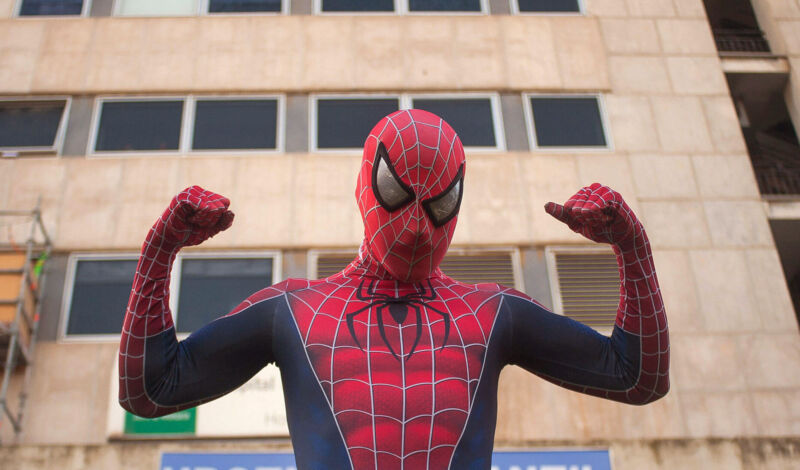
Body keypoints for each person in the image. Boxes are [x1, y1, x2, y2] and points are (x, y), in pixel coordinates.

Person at [119, 109, 669, 470]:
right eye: (394, 192)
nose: (415, 227)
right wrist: (159, 250)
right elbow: (149, 391)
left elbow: (638, 377)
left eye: (440, 205)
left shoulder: (492, 313)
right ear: (365, 187)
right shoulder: (292, 310)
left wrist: (631, 245)